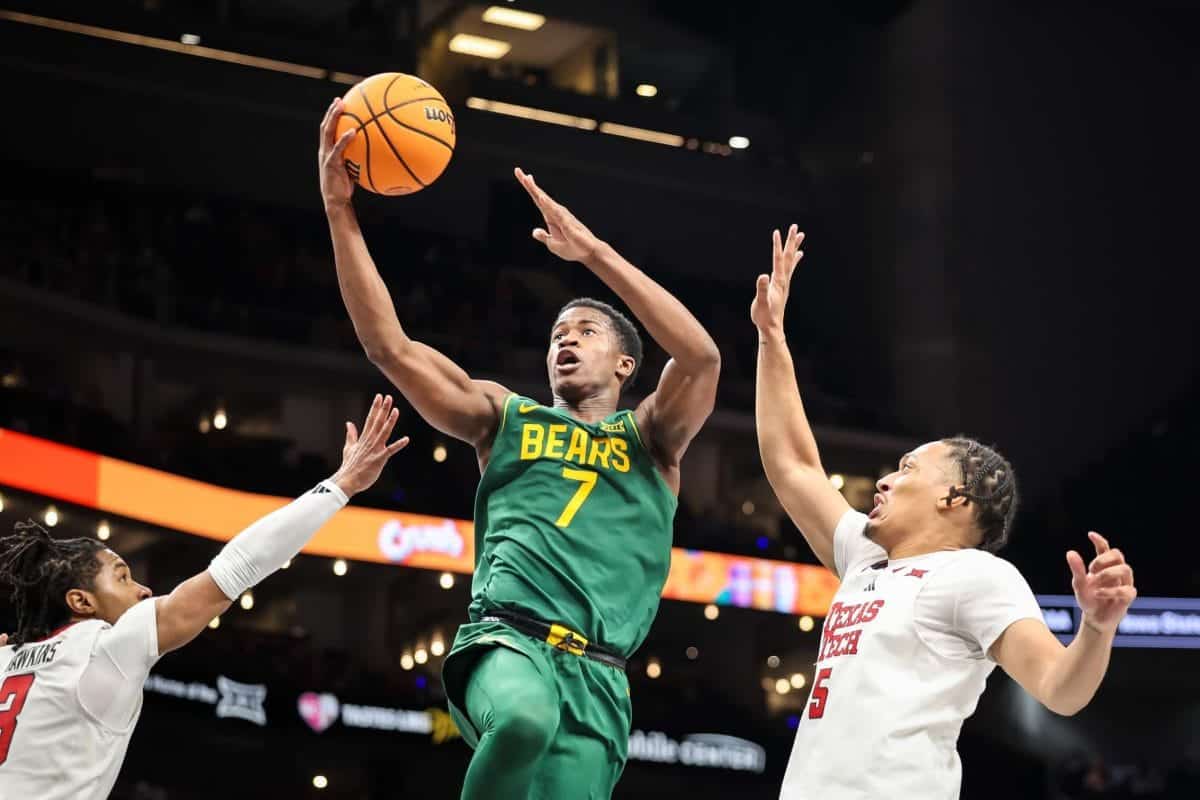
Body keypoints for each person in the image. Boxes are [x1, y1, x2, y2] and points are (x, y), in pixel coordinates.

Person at [317, 97, 721, 799]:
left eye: (587, 331)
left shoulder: (652, 439)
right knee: (525, 721)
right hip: (507, 641)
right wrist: (338, 211)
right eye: (558, 333)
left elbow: (702, 357)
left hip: (600, 677)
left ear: (626, 365)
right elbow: (390, 347)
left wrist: (593, 255)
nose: (567, 339)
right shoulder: (504, 416)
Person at [752, 226, 1137, 800]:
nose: (885, 479)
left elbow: (1060, 688)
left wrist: (1097, 629)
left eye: (907, 468)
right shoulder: (866, 557)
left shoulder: (976, 576)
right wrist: (771, 338)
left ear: (955, 497)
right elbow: (793, 465)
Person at [0, 396, 408, 799]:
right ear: (81, 602)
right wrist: (341, 485)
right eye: (122, 577)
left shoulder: (6, 663)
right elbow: (237, 566)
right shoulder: (104, 649)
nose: (143, 590)